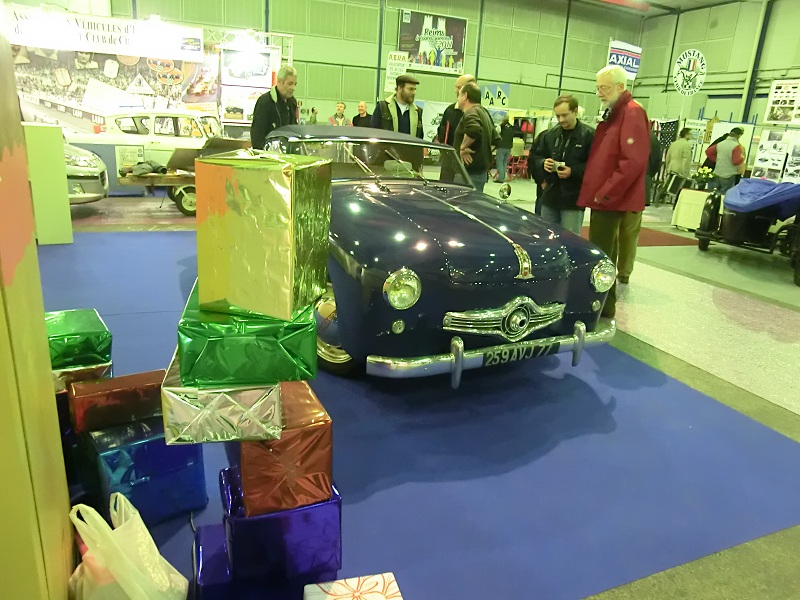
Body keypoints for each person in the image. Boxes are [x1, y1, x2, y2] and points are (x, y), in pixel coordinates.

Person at [577, 65, 650, 318]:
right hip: (605, 198)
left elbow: (633, 161)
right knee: (605, 252)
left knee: (602, 253)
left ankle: (600, 306)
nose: (599, 93)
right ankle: (603, 305)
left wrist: (605, 193)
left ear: (620, 87)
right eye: (597, 88)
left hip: (611, 200)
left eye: (604, 88)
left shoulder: (631, 112)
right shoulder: (616, 113)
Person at [530, 95, 594, 235]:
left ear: (575, 111)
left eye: (564, 115)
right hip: (550, 197)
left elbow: (595, 166)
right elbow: (536, 156)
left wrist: (573, 171)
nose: (561, 120)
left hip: (573, 200)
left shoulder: (589, 136)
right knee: (546, 236)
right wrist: (543, 163)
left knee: (570, 239)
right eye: (558, 116)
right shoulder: (549, 135)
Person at [453, 82, 500, 193]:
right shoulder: (484, 113)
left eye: (459, 95)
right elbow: (496, 140)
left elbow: (473, 129)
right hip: (480, 173)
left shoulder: (471, 112)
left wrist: (463, 148)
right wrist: (482, 153)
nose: (457, 98)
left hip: (467, 174)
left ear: (465, 96)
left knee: (460, 202)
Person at [436, 74, 477, 182]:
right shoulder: (449, 110)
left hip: (465, 168)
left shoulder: (476, 113)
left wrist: (464, 149)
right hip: (447, 165)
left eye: (459, 87)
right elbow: (441, 133)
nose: (456, 91)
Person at [250, 65, 298, 149]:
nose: (293, 88)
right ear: (279, 82)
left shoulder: (292, 103)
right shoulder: (265, 102)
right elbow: (257, 135)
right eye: (290, 84)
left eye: (295, 84)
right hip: (268, 154)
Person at [370, 74, 424, 138]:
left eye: (415, 89)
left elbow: (420, 137)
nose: (414, 92)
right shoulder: (383, 107)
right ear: (400, 88)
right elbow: (373, 132)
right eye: (411, 89)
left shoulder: (418, 111)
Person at [705, 127, 745, 194]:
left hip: (717, 173)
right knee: (724, 195)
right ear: (739, 135)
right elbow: (735, 161)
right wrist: (742, 157)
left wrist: (716, 159)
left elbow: (708, 151)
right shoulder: (737, 146)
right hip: (729, 175)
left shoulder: (720, 144)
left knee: (712, 194)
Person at [494, 115, 515, 183]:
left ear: (503, 120)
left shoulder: (501, 126)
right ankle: (502, 177)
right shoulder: (511, 127)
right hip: (509, 148)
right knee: (505, 163)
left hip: (501, 147)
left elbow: (495, 133)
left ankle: (500, 178)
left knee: (499, 162)